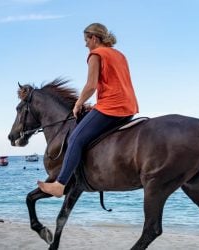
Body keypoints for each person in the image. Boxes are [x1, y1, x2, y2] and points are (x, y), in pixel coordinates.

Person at [38, 23, 139, 197]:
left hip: (112, 107)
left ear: (94, 38)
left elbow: (91, 85)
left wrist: (78, 104)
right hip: (129, 107)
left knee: (76, 138)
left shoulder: (96, 54)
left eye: (86, 40)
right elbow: (114, 84)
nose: (85, 44)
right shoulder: (119, 55)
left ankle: (60, 185)